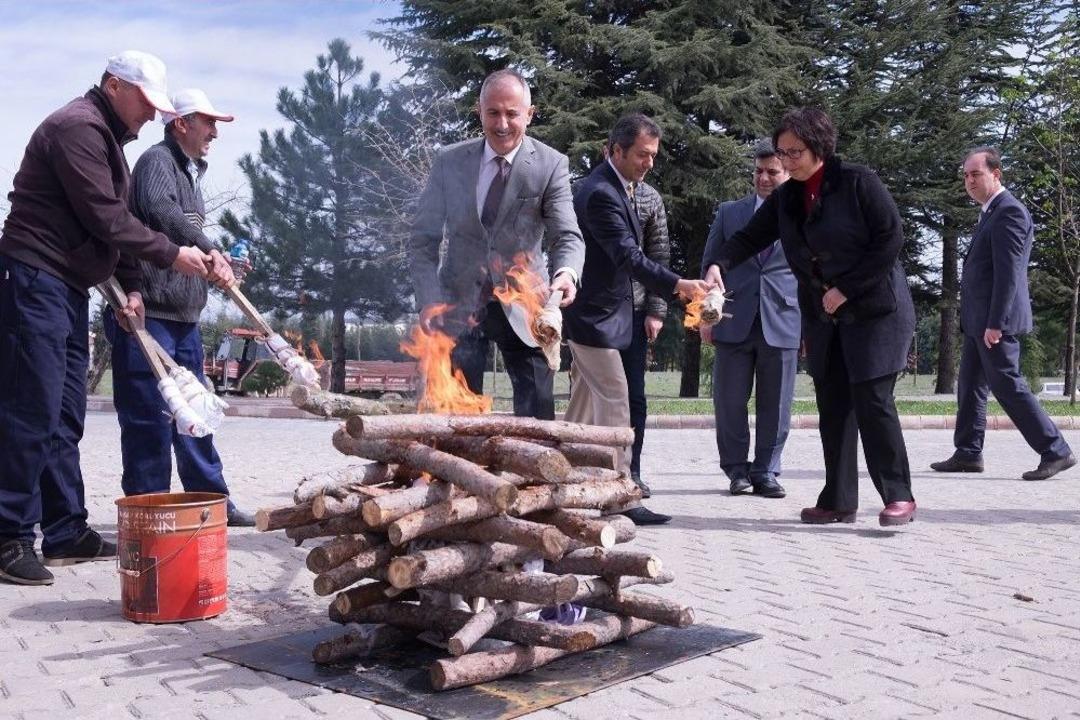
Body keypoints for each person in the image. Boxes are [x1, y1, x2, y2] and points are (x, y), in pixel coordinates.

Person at [0, 52, 212, 586]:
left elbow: (111, 228)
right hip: (32, 279)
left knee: (66, 410)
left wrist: (132, 287)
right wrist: (171, 253)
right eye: (146, 102)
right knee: (31, 408)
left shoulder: (106, 141)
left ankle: (67, 529)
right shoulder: (77, 129)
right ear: (115, 86)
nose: (151, 115)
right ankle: (7, 534)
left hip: (67, 287)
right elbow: (107, 217)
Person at [704, 107, 918, 527]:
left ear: (819, 147)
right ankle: (838, 499)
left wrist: (848, 288)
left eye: (794, 152)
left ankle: (899, 496)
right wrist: (720, 265)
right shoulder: (787, 198)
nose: (784, 162)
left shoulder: (858, 182)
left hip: (876, 312)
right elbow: (749, 237)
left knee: (872, 401)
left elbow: (891, 238)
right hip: (825, 316)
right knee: (834, 403)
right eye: (781, 152)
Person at [104, 88, 255, 527]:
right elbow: (161, 211)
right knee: (149, 419)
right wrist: (210, 249)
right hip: (149, 318)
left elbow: (180, 230)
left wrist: (218, 258)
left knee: (198, 414)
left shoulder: (189, 172)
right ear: (181, 123)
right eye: (208, 123)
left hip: (185, 321)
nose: (214, 133)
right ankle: (149, 508)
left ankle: (212, 501)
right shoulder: (156, 162)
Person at [410, 69, 585, 420]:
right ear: (480, 111)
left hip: (524, 305)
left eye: (512, 114)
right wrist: (428, 301)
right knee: (455, 418)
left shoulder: (551, 166)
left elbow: (566, 234)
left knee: (537, 415)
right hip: (457, 306)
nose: (502, 124)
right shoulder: (449, 161)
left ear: (529, 115)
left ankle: (534, 474)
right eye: (493, 113)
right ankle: (458, 475)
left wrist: (567, 273)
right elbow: (422, 241)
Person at [565, 113, 712, 525]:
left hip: (609, 317)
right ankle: (619, 500)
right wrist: (679, 285)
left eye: (653, 155)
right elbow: (628, 256)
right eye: (641, 155)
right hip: (595, 318)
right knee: (616, 403)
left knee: (582, 408)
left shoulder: (623, 186)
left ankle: (559, 485)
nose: (649, 163)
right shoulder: (599, 193)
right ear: (615, 149)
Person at [931, 148, 1075, 480]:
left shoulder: (1010, 211)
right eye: (966, 175)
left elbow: (1009, 273)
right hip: (978, 321)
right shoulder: (990, 211)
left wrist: (996, 322)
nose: (969, 181)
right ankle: (968, 452)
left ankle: (1055, 450)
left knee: (1008, 386)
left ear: (997, 174)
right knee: (969, 385)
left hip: (995, 322)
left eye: (976, 174)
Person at [701, 140, 800, 499]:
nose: (763, 178)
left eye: (772, 171)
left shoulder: (802, 213)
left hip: (784, 319)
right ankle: (736, 471)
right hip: (733, 318)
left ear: (787, 173)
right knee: (728, 402)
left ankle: (767, 471)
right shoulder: (730, 213)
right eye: (758, 171)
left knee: (777, 404)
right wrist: (705, 316)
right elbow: (709, 265)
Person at [619, 179, 671, 498]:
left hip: (636, 311)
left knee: (634, 397)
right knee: (590, 395)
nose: (647, 163)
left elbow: (658, 256)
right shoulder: (587, 191)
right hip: (595, 312)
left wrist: (657, 309)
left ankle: (632, 470)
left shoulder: (651, 197)